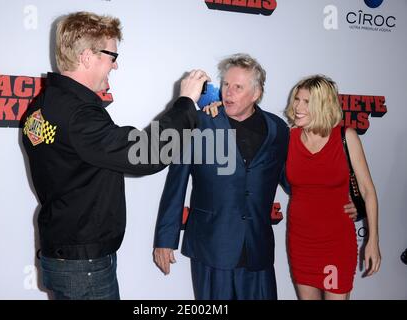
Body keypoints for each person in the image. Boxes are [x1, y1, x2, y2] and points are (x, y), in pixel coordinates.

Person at [21, 11, 209, 300]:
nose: (116, 65)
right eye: (111, 56)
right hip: (83, 267)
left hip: (62, 254)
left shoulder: (43, 105)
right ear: (87, 57)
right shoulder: (79, 116)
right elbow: (146, 153)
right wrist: (185, 103)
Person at [153, 53, 289, 300]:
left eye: (238, 87)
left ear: (256, 93)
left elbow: (290, 179)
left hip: (257, 249)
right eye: (226, 84)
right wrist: (165, 238)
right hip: (212, 247)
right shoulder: (200, 124)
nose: (228, 92)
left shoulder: (277, 129)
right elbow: (176, 183)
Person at [284, 75, 381, 299]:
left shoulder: (345, 136)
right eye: (297, 99)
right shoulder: (289, 138)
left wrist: (372, 241)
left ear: (323, 105)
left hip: (335, 244)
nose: (298, 107)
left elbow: (368, 191)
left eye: (307, 102)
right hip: (301, 243)